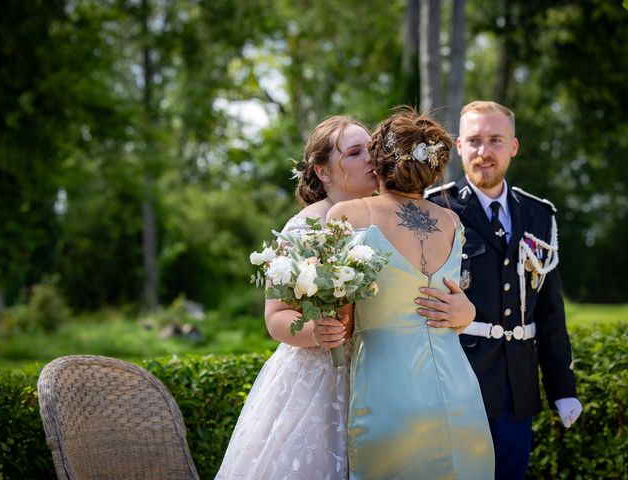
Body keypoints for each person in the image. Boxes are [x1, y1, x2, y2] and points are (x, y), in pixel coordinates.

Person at [216, 115, 476, 479]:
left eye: (371, 149)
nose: (370, 158)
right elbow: (275, 316)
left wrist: (463, 309)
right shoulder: (306, 225)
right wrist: (312, 333)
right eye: (354, 153)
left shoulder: (392, 217)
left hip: (387, 375)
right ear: (323, 172)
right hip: (323, 380)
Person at [327, 108, 495, 479]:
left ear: (379, 158)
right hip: (462, 394)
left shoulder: (348, 215)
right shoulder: (451, 221)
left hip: (388, 391)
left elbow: (342, 314)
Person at [426, 100, 582, 480]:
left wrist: (563, 387)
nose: (484, 152)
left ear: (513, 146)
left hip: (518, 384)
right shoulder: (437, 209)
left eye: (495, 140)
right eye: (474, 141)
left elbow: (549, 311)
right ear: (459, 147)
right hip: (457, 380)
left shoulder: (538, 214)